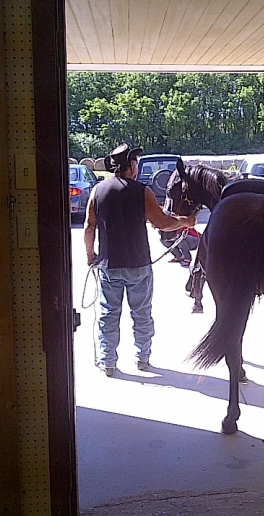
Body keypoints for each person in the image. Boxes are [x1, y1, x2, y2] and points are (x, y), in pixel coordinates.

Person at [84, 143, 197, 377]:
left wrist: (90, 255)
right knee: (142, 314)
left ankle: (107, 362)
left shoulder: (98, 191)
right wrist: (185, 222)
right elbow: (161, 222)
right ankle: (142, 358)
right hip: (138, 265)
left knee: (108, 314)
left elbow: (89, 226)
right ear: (132, 165)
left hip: (108, 265)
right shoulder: (141, 190)